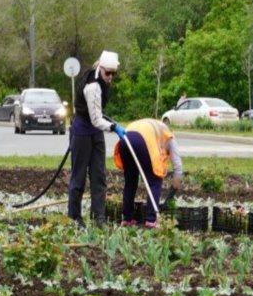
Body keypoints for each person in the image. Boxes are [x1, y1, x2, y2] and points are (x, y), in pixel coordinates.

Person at [68, 50, 123, 225]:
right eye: (108, 73)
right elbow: (96, 119)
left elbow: (99, 114)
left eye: (114, 73)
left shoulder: (103, 82)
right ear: (101, 68)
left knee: (99, 176)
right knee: (79, 177)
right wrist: (114, 127)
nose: (111, 77)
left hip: (95, 133)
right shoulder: (92, 86)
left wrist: (110, 124)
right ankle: (74, 217)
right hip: (82, 133)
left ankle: (98, 216)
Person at [112, 117, 183, 227]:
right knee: (155, 181)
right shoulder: (169, 136)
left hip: (124, 139)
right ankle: (151, 220)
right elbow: (178, 166)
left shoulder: (154, 126)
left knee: (130, 181)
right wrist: (176, 183)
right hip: (141, 140)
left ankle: (127, 218)